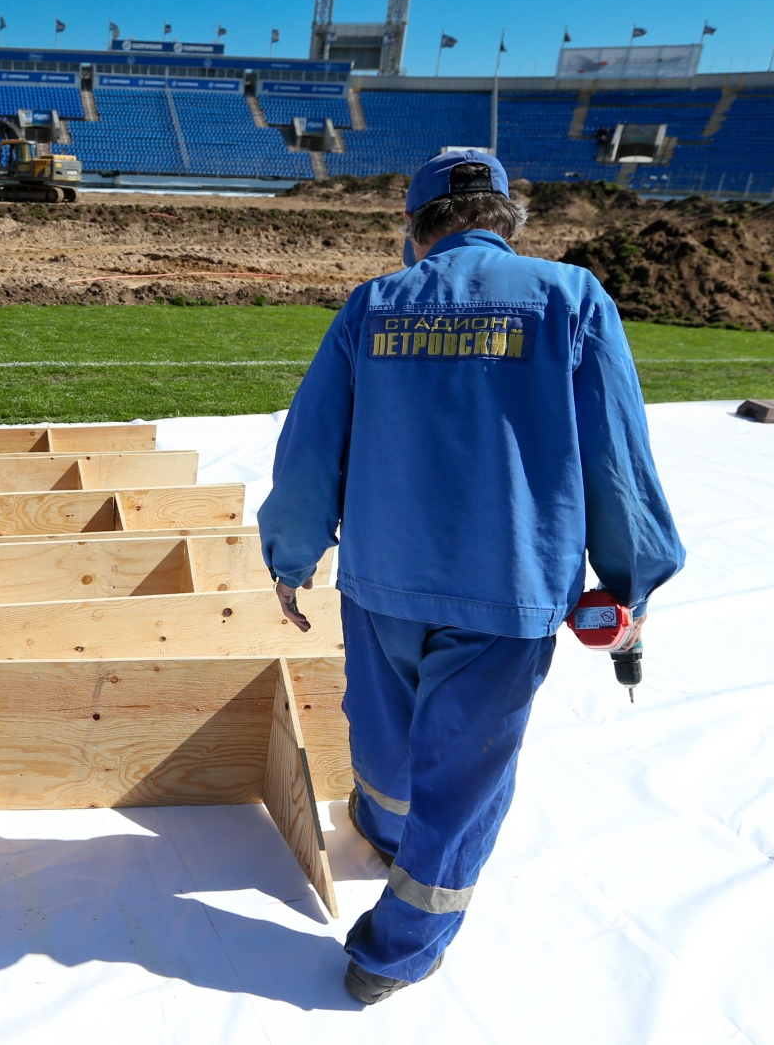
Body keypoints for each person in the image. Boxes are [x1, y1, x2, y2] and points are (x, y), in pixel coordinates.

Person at [258, 150, 685, 1007]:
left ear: (412, 233)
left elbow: (311, 449)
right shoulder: (569, 299)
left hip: (383, 582)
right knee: (463, 782)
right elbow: (617, 456)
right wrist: (631, 581)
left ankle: (382, 837)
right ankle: (393, 954)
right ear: (509, 221)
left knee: (382, 740)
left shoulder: (374, 304)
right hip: (510, 591)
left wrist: (291, 558)